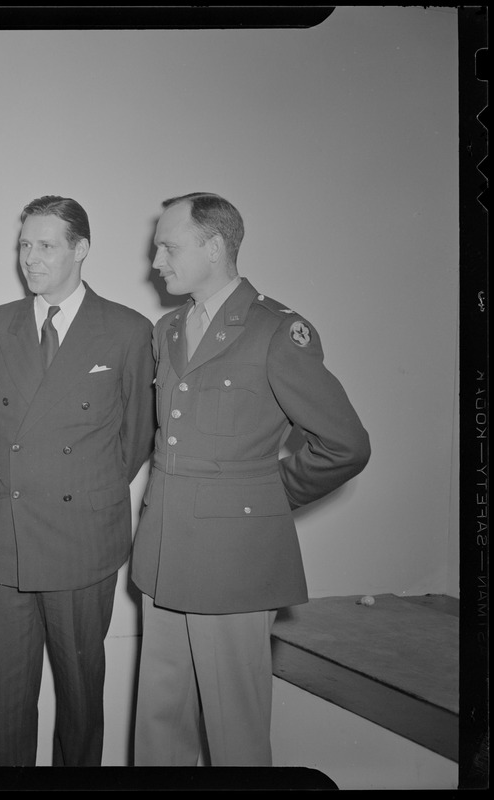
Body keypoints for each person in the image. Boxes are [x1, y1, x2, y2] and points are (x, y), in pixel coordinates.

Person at [131, 192, 371, 766]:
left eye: (168, 246)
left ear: (214, 247)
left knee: (235, 734)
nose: (156, 262)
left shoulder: (274, 331)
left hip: (234, 559)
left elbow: (346, 445)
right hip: (164, 553)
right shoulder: (168, 329)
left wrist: (266, 497)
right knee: (159, 727)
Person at [0, 196, 156, 766]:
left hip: (82, 537)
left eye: (45, 245)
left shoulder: (128, 331)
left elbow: (134, 438)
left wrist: (80, 484)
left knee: (80, 697)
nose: (30, 257)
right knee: (0, 700)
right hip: (7, 536)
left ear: (81, 249)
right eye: (24, 245)